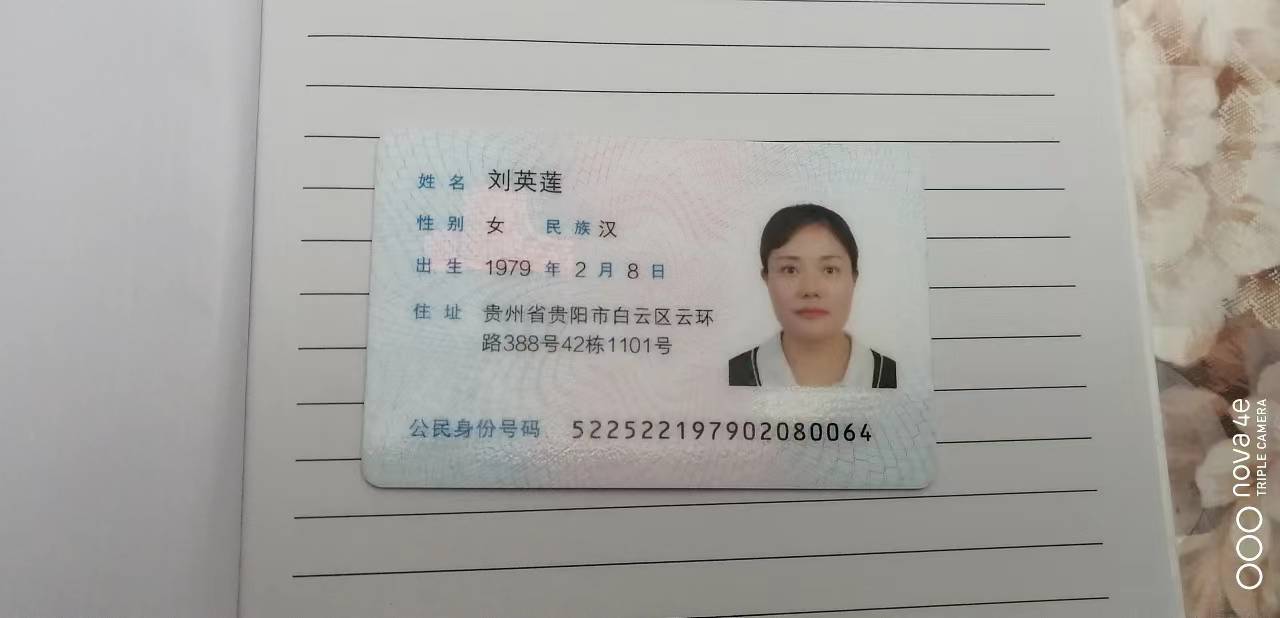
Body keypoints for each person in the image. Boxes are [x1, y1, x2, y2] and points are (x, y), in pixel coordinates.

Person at [729, 204, 896, 388]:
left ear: (853, 278)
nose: (810, 289)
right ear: (766, 278)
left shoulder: (891, 376)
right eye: (790, 270)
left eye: (830, 270)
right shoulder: (732, 375)